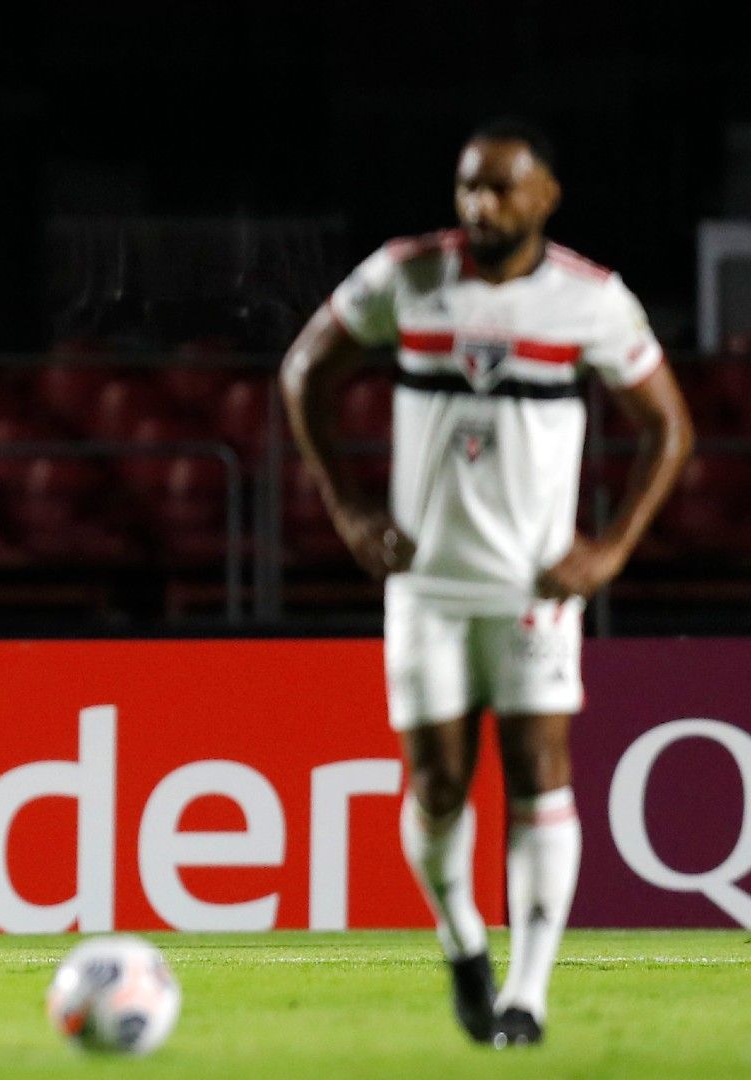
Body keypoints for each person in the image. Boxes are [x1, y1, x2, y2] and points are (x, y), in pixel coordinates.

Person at [281, 118, 693, 1046]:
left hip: (531, 588)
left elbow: (668, 425)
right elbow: (306, 369)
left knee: (540, 770)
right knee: (436, 784)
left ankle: (529, 996)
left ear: (546, 195)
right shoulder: (408, 276)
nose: (481, 205)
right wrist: (347, 507)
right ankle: (463, 938)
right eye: (470, 187)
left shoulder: (589, 300)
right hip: (426, 585)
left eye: (502, 188)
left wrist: (614, 547)